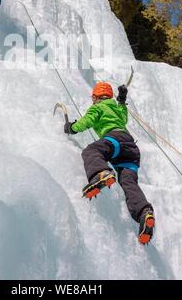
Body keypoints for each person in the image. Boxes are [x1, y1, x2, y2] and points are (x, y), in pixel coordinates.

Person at [64, 82, 155, 245]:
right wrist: (122, 100)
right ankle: (144, 213)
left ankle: (101, 173)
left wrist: (71, 127)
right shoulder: (115, 107)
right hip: (131, 150)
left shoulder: (97, 107)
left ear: (95, 97)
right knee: (128, 183)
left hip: (115, 141)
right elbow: (124, 117)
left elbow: (86, 122)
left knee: (91, 151)